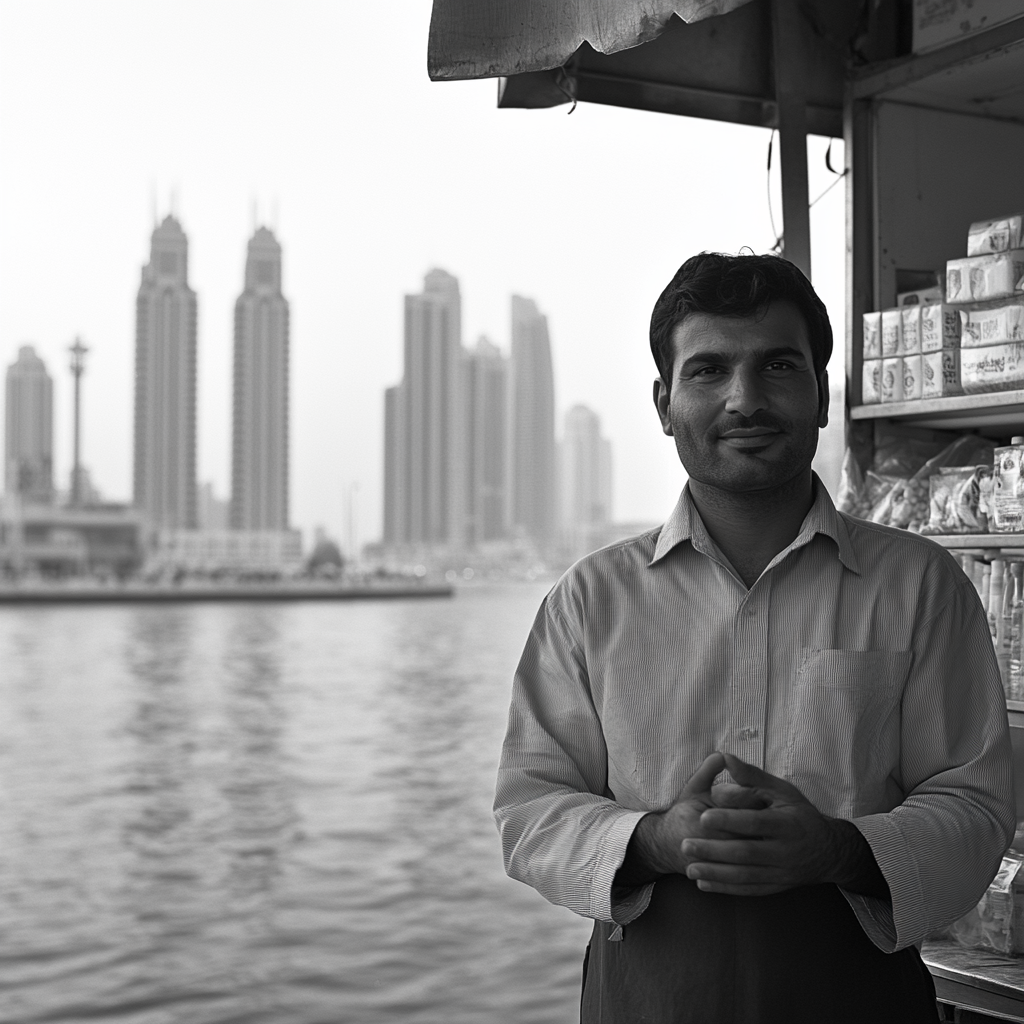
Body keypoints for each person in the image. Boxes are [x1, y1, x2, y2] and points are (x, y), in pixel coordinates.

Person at [493, 252, 1016, 1023]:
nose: (745, 399)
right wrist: (658, 841)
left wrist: (834, 849)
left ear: (821, 396)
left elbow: (976, 807)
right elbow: (528, 809)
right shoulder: (590, 600)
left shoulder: (919, 585)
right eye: (708, 371)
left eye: (777, 365)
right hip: (645, 998)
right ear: (664, 402)